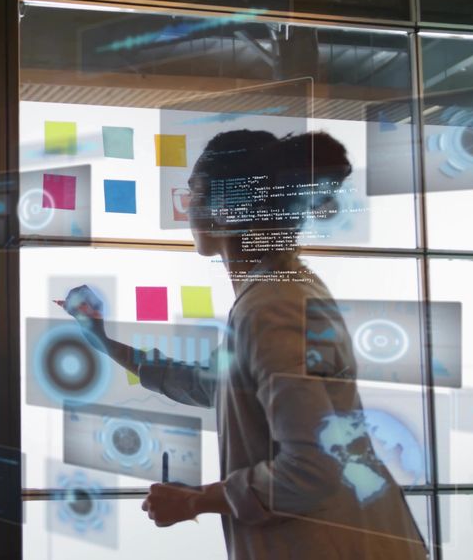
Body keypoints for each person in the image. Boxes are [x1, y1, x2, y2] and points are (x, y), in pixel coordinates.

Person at [61, 130, 427, 559]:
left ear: (228, 211)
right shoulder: (280, 291)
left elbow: (311, 471)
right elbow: (209, 385)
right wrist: (101, 340)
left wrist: (196, 500)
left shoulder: (271, 308)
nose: (187, 211)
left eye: (193, 195)